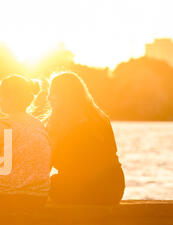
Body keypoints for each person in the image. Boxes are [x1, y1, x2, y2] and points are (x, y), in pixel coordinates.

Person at [47, 72, 125, 205]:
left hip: (80, 189)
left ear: (60, 97)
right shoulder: (101, 118)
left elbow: (47, 163)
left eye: (51, 94)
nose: (48, 98)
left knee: (42, 189)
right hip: (113, 189)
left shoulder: (59, 125)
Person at [0, 75, 51, 210]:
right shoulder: (39, 125)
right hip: (38, 198)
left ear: (10, 99)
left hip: (5, 197)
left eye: (1, 96)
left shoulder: (1, 125)